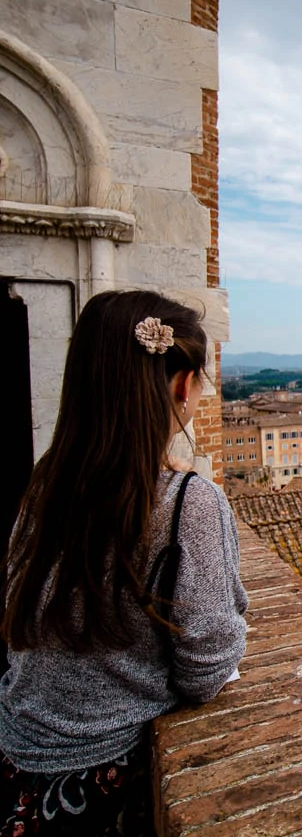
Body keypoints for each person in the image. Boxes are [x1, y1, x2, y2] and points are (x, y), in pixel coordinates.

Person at [0, 290, 248, 835]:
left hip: (20, 770)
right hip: (105, 789)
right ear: (184, 387)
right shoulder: (188, 504)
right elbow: (208, 666)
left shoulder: (44, 487)